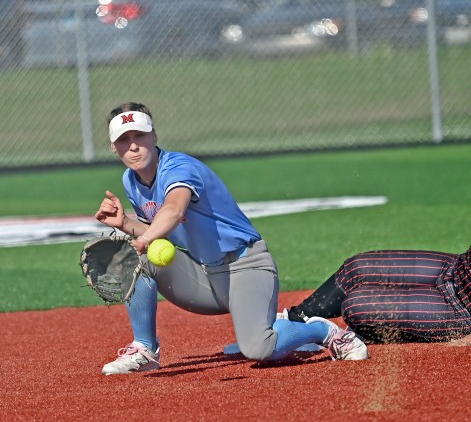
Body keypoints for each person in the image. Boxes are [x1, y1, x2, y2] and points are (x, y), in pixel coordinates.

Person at [278, 84, 471, 346]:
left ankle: (337, 335)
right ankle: (294, 321)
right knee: (356, 268)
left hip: (465, 312)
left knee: (357, 305)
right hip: (452, 271)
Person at [95, 102, 368, 375]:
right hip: (204, 276)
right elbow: (165, 230)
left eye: (139, 135)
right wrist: (126, 224)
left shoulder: (178, 167)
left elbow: (174, 211)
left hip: (246, 266)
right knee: (133, 257)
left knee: (259, 349)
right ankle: (145, 350)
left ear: (154, 135)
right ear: (113, 147)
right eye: (124, 139)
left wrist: (144, 240)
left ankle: (321, 330)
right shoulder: (131, 181)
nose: (133, 146)